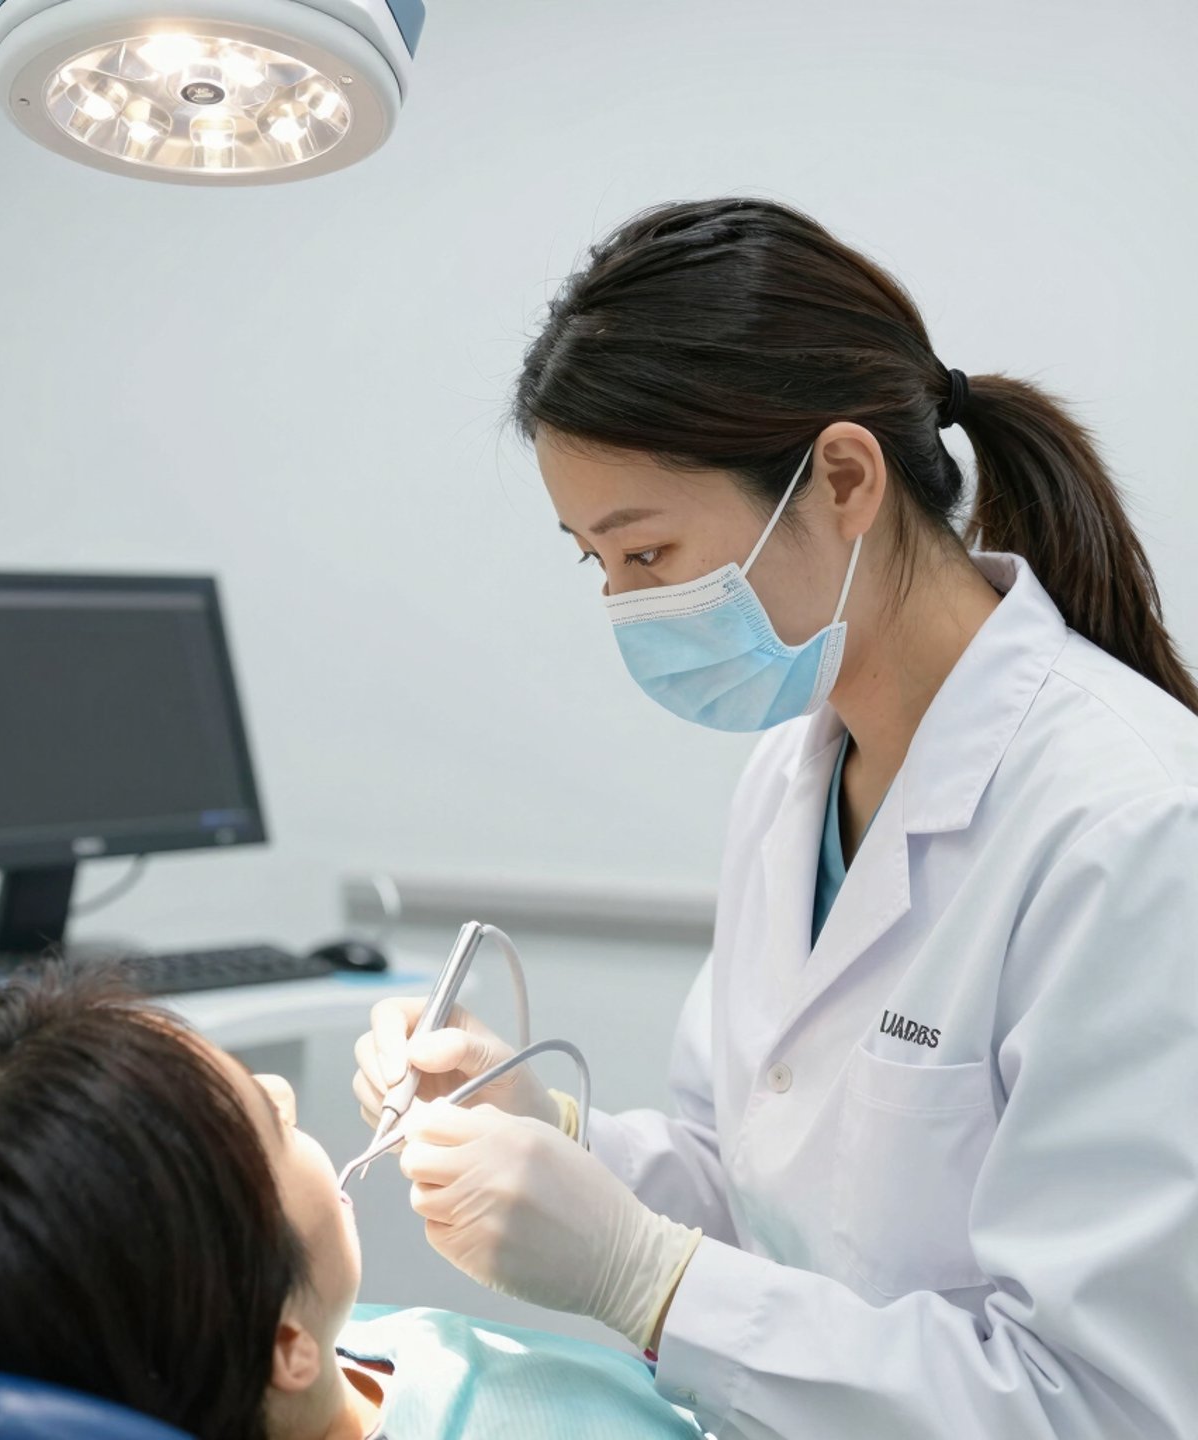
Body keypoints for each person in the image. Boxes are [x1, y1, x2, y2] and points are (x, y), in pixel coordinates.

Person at [353, 196, 1198, 1438]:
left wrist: (646, 1281)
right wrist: (552, 1131)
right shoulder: (796, 771)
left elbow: (1109, 1407)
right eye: (595, 562)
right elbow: (755, 1176)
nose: (624, 606)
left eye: (645, 554)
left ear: (845, 478)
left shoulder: (1135, 829)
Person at [0, 966, 705, 1440]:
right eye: (268, 1126)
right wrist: (651, 1281)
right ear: (282, 1347)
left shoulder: (219, 1345)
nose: (282, 1088)